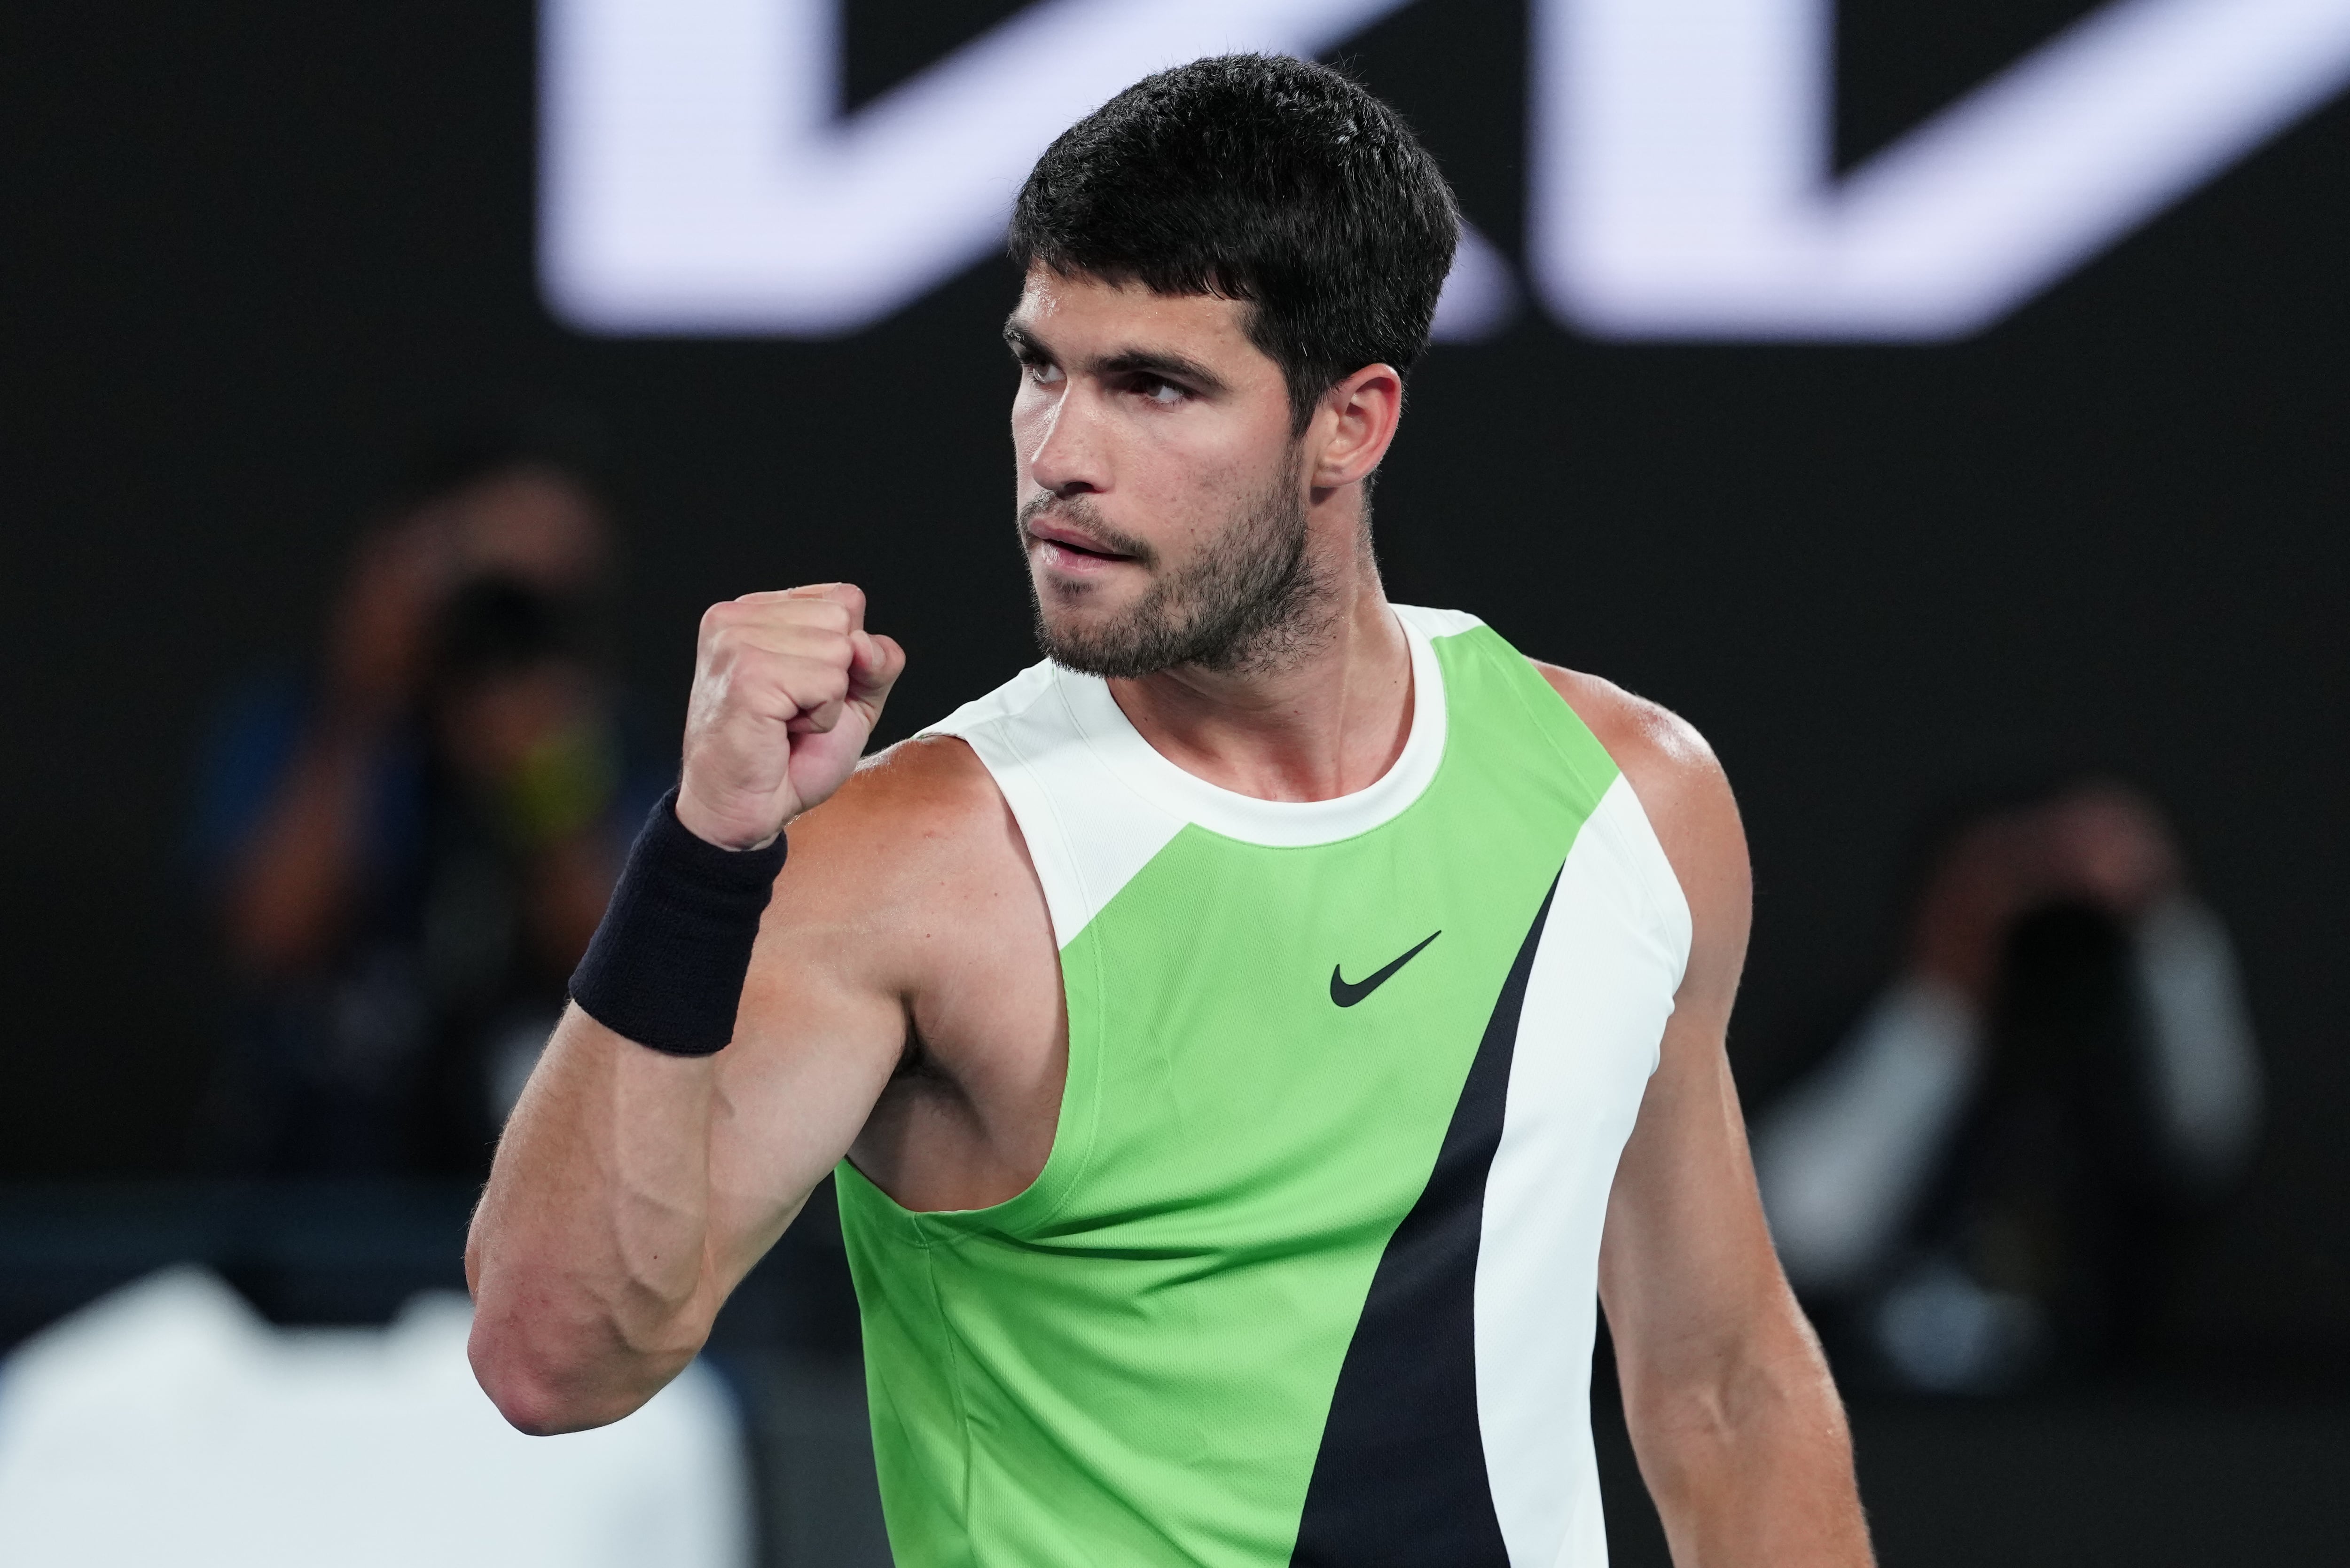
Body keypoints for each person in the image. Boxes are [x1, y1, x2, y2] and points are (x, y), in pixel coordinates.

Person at [467, 56, 1872, 1566]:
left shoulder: (1627, 801)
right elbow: (553, 1359)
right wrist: (703, 855)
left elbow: (1726, 1391)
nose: (1059, 457)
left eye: (1153, 386)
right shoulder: (919, 867)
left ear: (1351, 423)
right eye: (1040, 369)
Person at [195, 441, 658, 1176]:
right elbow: (269, 942)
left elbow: (630, 981)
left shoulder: (603, 742)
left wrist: (541, 775)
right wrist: (365, 701)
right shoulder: (301, 727)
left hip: (535, 1179)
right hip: (317, 1181)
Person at [1753, 781, 2261, 1393]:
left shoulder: (2110, 1061)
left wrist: (2162, 921)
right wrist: (1945, 997)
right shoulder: (1864, 1038)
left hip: (2086, 1424)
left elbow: (2208, 1139)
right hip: (1875, 1420)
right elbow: (1805, 1237)